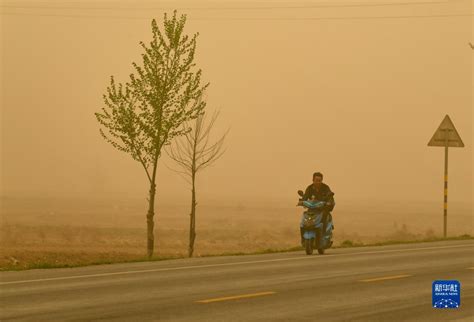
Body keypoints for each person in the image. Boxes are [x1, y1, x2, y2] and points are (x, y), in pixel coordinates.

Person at [300, 172, 335, 245]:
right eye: (316, 180)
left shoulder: (325, 188)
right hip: (312, 209)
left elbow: (330, 196)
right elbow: (305, 197)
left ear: (322, 180)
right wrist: (302, 201)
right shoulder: (309, 188)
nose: (318, 182)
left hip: (323, 209)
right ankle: (303, 239)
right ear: (313, 180)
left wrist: (329, 202)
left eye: (320, 180)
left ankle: (324, 235)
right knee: (303, 221)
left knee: (324, 216)